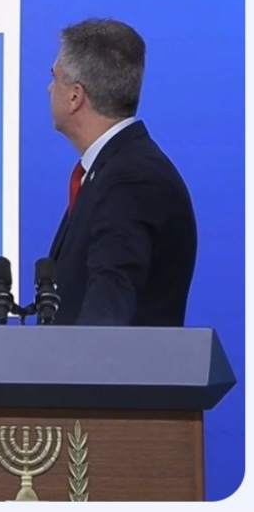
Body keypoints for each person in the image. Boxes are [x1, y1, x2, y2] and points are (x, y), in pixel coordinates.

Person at [45, 18, 196, 327]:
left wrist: (76, 359)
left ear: (75, 96)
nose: (49, 88)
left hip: (107, 360)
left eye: (54, 77)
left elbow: (108, 308)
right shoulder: (114, 170)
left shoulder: (131, 179)